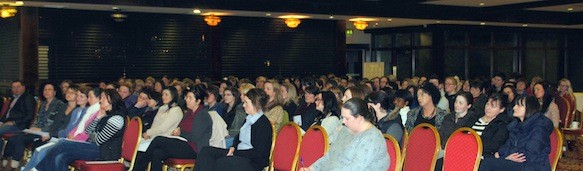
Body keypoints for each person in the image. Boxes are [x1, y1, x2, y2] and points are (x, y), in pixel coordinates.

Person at [35, 89, 126, 171]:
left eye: (103, 98)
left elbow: (99, 140)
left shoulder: (116, 118)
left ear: (111, 101)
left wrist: (93, 134)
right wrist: (98, 118)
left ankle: (38, 168)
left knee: (63, 144)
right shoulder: (104, 115)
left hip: (105, 152)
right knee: (61, 156)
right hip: (96, 147)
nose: (100, 100)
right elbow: (88, 130)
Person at [134, 85, 212, 171]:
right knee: (157, 153)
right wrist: (178, 131)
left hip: (194, 149)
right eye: (187, 97)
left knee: (158, 140)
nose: (186, 99)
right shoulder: (189, 113)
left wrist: (180, 132)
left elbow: (194, 137)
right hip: (184, 144)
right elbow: (181, 128)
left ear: (198, 101)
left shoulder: (202, 115)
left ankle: (137, 169)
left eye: (190, 98)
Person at [299, 98, 389, 171]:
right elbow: (330, 155)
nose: (343, 121)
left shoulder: (372, 138)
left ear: (360, 118)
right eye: (342, 117)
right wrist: (312, 168)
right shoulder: (345, 130)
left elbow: (355, 168)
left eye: (347, 118)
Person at [194, 88, 273, 171]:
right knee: (206, 151)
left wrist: (235, 152)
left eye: (246, 103)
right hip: (239, 153)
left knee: (220, 162)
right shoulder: (249, 119)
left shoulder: (263, 124)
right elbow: (238, 138)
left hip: (252, 161)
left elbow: (257, 153)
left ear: (255, 104)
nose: (243, 105)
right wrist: (233, 148)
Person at [2, 82, 66, 170]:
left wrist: (40, 129)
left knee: (20, 138)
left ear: (54, 92)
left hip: (47, 132)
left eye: (49, 89)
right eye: (45, 89)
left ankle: (14, 164)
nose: (47, 91)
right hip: (36, 130)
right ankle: (8, 159)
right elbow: (37, 119)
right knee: (14, 137)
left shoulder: (59, 105)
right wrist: (33, 127)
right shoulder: (43, 104)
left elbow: (56, 124)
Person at [479, 95, 554, 171]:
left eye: (519, 105)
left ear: (529, 108)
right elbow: (504, 147)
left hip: (534, 165)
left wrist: (508, 155)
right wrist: (507, 156)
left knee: (487, 164)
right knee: (485, 162)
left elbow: (529, 154)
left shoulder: (540, 127)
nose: (514, 107)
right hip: (517, 163)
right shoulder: (516, 125)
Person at [471, 93, 512, 158]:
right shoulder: (474, 117)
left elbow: (493, 145)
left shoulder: (502, 124)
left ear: (502, 109)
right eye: (487, 104)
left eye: (492, 106)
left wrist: (470, 144)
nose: (488, 108)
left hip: (483, 157)